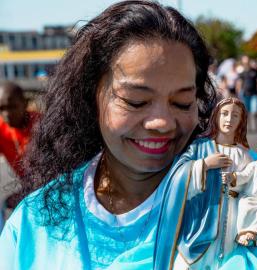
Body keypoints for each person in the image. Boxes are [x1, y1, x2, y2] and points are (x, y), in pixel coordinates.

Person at [0, 1, 218, 269]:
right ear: (91, 97)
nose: (162, 122)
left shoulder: (237, 199)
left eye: (183, 103)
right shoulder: (32, 222)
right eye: (136, 101)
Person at [171, 97, 255, 269]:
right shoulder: (199, 147)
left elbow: (251, 190)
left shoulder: (243, 155)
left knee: (223, 259)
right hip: (202, 215)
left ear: (241, 122)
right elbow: (177, 177)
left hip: (231, 216)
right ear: (216, 116)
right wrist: (205, 164)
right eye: (224, 114)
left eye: (235, 116)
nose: (229, 119)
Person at [0, 81, 39, 231]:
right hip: (27, 187)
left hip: (51, 186)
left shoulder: (42, 124)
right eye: (2, 108)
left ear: (25, 103)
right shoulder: (2, 129)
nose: (7, 114)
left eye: (12, 107)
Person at [236, 56, 257, 131]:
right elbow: (239, 83)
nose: (246, 63)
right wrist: (238, 94)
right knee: (247, 112)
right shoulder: (242, 73)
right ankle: (249, 127)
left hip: (254, 94)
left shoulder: (255, 71)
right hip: (245, 95)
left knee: (255, 111)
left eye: (247, 61)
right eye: (244, 62)